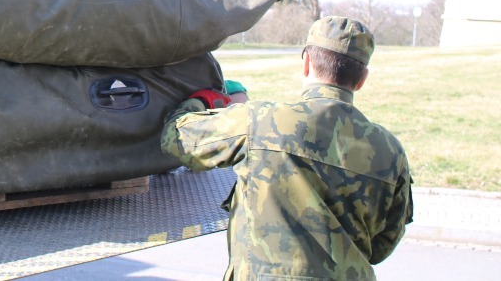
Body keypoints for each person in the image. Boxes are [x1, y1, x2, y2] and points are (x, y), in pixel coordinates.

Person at [160, 16, 413, 280]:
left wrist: (201, 101)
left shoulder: (262, 121)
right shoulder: (391, 152)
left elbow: (177, 139)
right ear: (362, 80)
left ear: (307, 63)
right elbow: (382, 246)